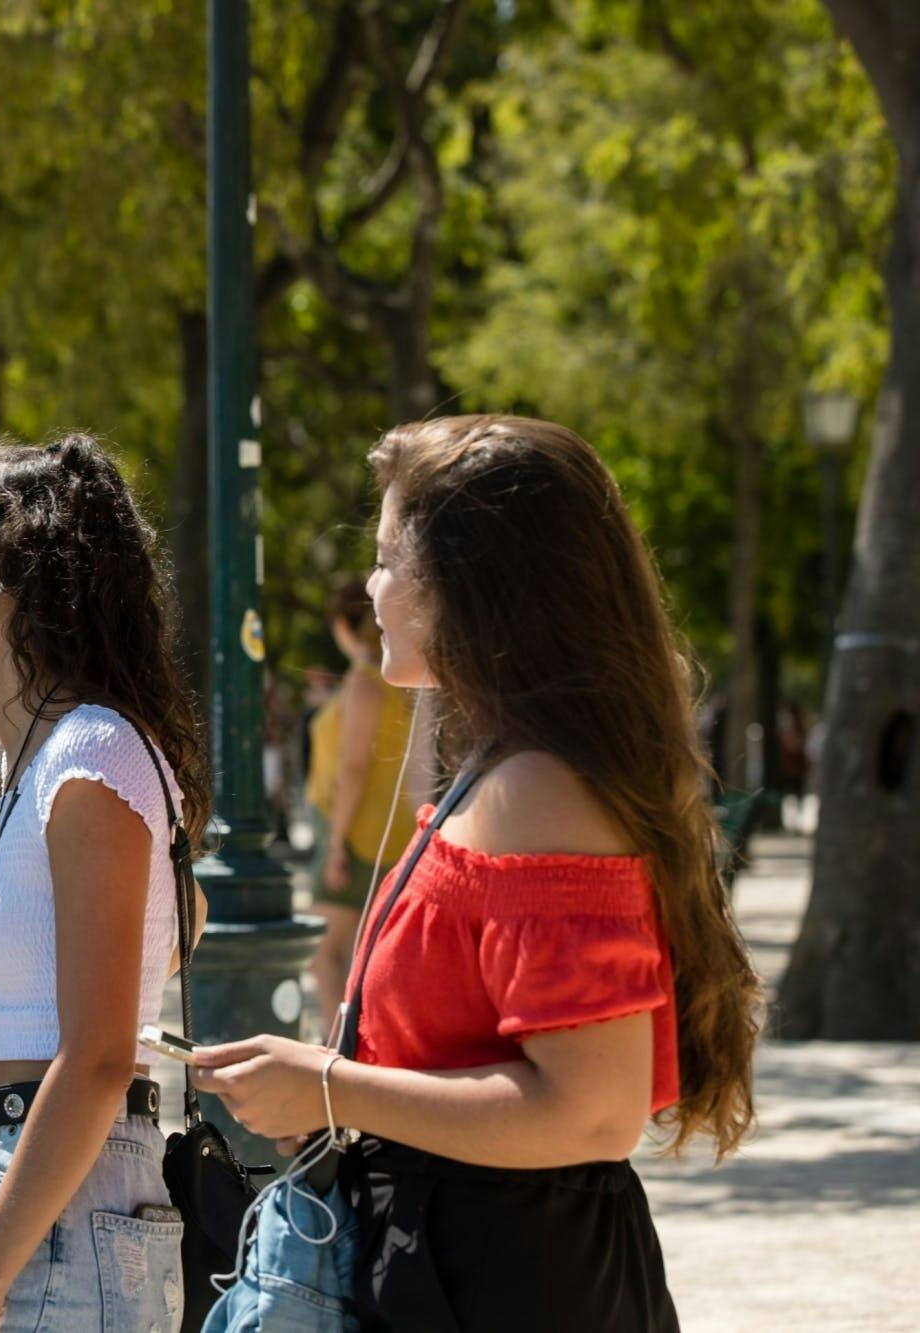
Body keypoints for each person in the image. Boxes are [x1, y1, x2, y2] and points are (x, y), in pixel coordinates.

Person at [194, 415, 761, 1332]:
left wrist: (332, 1086)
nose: (371, 586)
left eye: (388, 558)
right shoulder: (516, 770)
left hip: (511, 1279)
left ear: (469, 585)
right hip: (481, 1263)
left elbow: (592, 1112)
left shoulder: (539, 790)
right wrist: (337, 1089)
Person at [0, 434, 209, 1332]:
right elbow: (175, 928)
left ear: (17, 566)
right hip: (41, 1178)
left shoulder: (92, 752)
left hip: (66, 1190)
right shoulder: (50, 754)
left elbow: (101, 1055)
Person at [302, 578, 417, 1024]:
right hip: (388, 833)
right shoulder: (401, 682)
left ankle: (335, 1051)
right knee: (357, 956)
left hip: (358, 836)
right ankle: (353, 1047)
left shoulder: (364, 681)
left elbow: (353, 767)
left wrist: (335, 844)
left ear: (342, 625)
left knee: (322, 951)